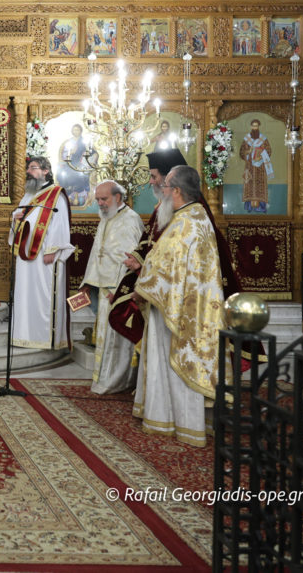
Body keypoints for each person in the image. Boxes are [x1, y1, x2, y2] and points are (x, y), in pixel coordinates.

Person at [132, 165, 224, 447]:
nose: (163, 192)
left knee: (170, 361)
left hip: (177, 308)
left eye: (167, 187)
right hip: (190, 306)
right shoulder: (197, 216)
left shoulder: (185, 223)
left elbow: (165, 267)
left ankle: (172, 419)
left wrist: (141, 287)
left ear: (178, 191)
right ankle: (183, 420)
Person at [108, 148, 240, 343]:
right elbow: (151, 239)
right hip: (164, 288)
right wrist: (139, 260)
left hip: (181, 293)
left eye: (154, 176)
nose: (151, 182)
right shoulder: (169, 206)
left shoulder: (190, 214)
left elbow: (174, 255)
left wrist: (145, 278)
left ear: (172, 183)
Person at [82, 180, 144, 394]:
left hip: (118, 291)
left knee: (117, 337)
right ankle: (104, 378)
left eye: (104, 199)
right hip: (103, 286)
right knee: (105, 337)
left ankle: (117, 380)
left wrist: (119, 292)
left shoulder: (130, 220)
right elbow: (97, 252)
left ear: (118, 197)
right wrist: (88, 283)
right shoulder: (106, 218)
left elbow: (131, 260)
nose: (99, 203)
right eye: (97, 199)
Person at [9, 156, 73, 349]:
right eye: (28, 168)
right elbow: (19, 219)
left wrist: (53, 249)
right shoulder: (27, 195)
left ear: (46, 171)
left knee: (44, 295)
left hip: (45, 254)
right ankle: (24, 334)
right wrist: (15, 219)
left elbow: (60, 223)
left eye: (34, 168)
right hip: (26, 255)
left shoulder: (56, 194)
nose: (29, 171)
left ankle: (43, 337)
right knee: (25, 294)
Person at [239, 119, 273, 213]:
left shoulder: (263, 139)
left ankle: (261, 207)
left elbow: (269, 151)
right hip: (249, 167)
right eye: (253, 126)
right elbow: (241, 153)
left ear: (259, 127)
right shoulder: (247, 139)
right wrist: (248, 152)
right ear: (251, 127)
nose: (255, 128)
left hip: (260, 168)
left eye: (256, 126)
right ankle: (249, 207)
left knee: (260, 185)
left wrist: (261, 154)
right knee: (249, 184)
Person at [57, 123, 93, 206]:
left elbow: (89, 152)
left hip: (81, 163)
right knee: (63, 174)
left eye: (77, 130)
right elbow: (64, 155)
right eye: (74, 130)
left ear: (81, 131)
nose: (75, 131)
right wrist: (71, 152)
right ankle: (68, 195)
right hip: (69, 163)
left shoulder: (83, 142)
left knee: (80, 174)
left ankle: (78, 196)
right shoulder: (69, 142)